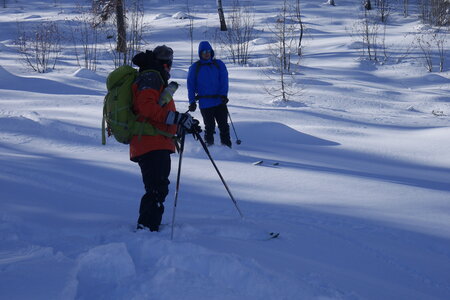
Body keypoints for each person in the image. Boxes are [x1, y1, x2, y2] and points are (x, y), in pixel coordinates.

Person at [131, 45, 196, 232]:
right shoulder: (151, 77)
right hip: (150, 141)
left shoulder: (154, 77)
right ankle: (147, 228)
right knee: (156, 187)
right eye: (168, 63)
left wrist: (181, 123)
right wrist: (175, 119)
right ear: (164, 63)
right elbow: (147, 108)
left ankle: (150, 226)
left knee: (158, 186)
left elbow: (161, 110)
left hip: (155, 140)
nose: (169, 67)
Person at [187, 41, 231, 148]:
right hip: (205, 103)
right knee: (209, 127)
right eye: (204, 52)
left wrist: (224, 95)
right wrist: (192, 101)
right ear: (200, 53)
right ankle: (209, 148)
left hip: (219, 101)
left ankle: (227, 148)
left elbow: (224, 81)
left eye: (208, 51)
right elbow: (191, 86)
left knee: (224, 126)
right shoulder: (195, 67)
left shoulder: (219, 64)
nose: (207, 53)